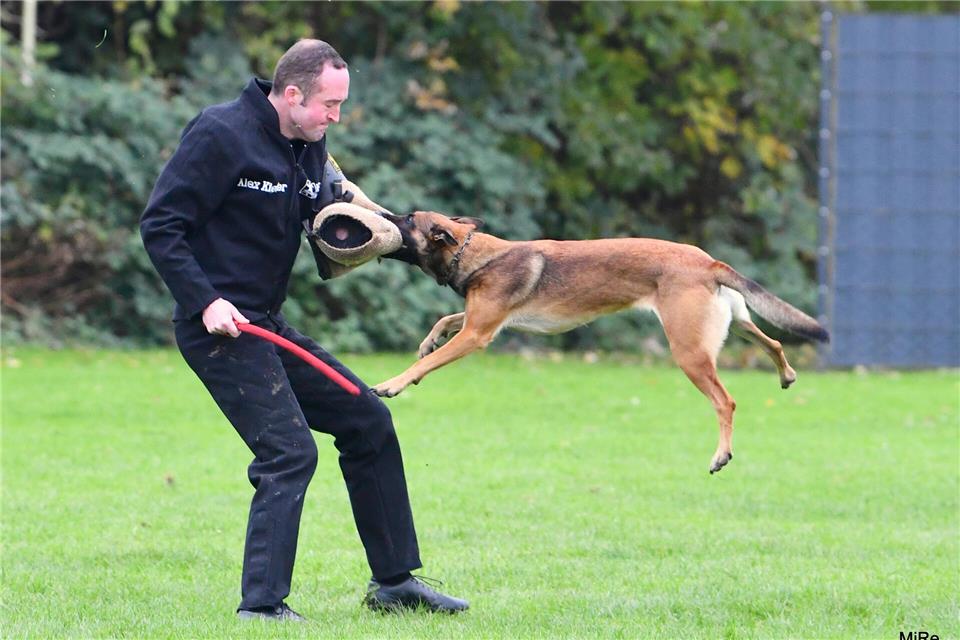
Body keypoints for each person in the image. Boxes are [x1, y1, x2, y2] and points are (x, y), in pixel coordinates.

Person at [140, 39, 468, 619]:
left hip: (265, 323)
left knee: (367, 420)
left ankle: (394, 584)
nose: (335, 117)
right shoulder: (221, 133)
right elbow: (162, 225)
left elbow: (337, 217)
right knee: (288, 453)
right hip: (218, 328)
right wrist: (205, 301)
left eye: (340, 105)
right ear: (291, 94)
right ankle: (261, 608)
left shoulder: (310, 146)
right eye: (329, 105)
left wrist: (424, 248)